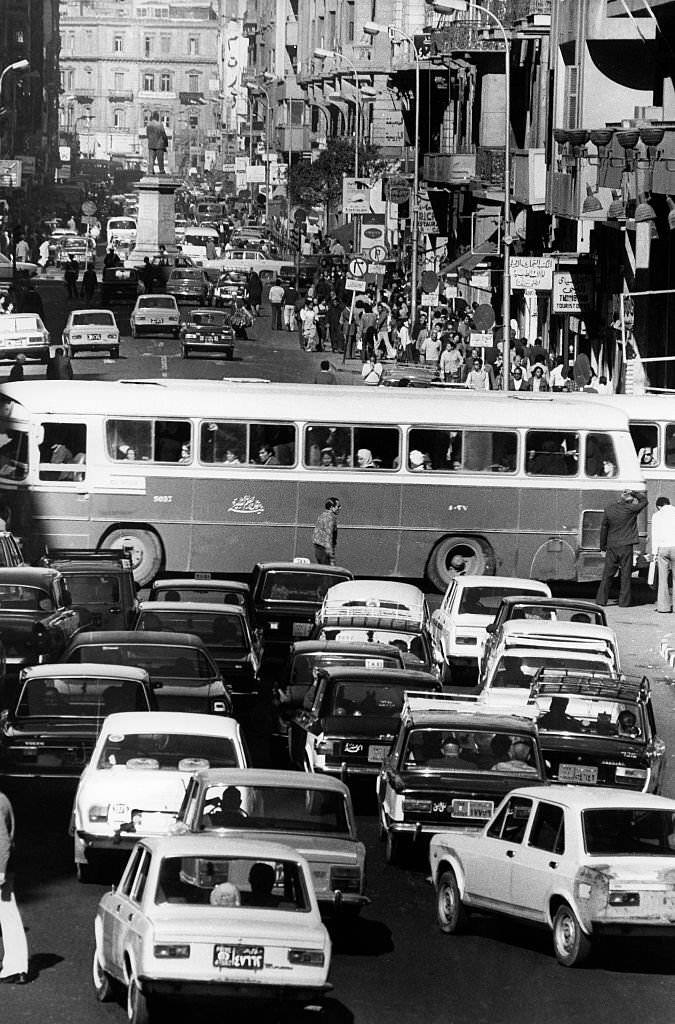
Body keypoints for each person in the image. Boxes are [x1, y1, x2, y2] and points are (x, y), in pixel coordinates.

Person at [595, 488, 649, 607]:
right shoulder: (631, 509)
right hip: (626, 546)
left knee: (607, 575)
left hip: (612, 545)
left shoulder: (609, 509)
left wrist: (602, 547)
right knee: (625, 575)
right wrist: (634, 493)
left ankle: (601, 600)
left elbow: (604, 528)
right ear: (630, 501)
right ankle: (624, 602)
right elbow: (644, 501)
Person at [0, 786, 30, 983]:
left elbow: (2, 840)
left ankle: (16, 967)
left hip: (2, 868)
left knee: (8, 917)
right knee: (8, 916)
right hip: (5, 866)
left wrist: (1, 870)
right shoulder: (2, 798)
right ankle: (16, 966)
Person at [651, 495, 675, 613]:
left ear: (659, 506)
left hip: (663, 548)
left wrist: (654, 553)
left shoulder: (656, 516)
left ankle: (663, 607)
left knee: (663, 579)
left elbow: (655, 535)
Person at [312, 496, 340, 564]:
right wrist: (331, 554)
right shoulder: (330, 518)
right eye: (338, 506)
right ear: (331, 507)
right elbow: (328, 535)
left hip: (318, 547)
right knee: (329, 571)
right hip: (324, 549)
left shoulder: (322, 516)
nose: (340, 508)